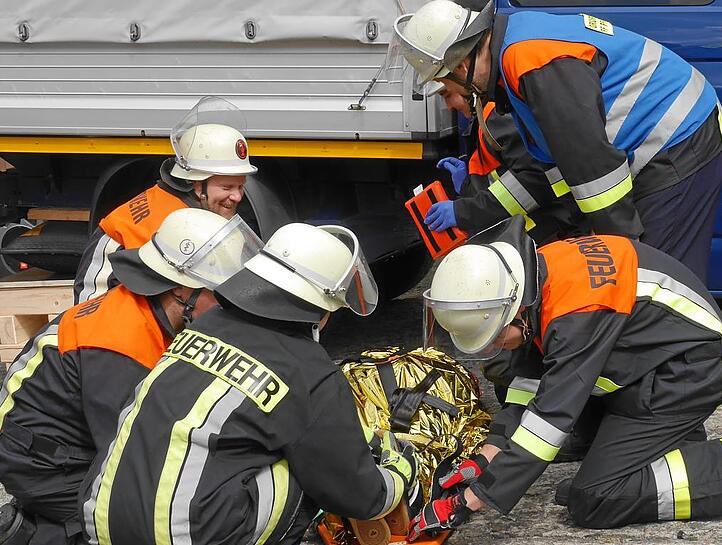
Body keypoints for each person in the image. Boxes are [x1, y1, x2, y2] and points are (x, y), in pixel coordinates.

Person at [407, 216, 722, 539]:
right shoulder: (535, 275)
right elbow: (532, 379)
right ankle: (668, 447)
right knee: (575, 461)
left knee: (594, 498)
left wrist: (475, 498)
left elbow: (550, 418)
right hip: (657, 359)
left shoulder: (576, 314)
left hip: (690, 372)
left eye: (497, 336)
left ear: (514, 310)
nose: (496, 347)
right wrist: (489, 454)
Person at [79, 222, 417, 545]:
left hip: (102, 520)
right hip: (189, 535)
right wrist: (400, 470)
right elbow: (359, 496)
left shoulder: (204, 325)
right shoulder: (309, 372)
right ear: (323, 309)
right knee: (306, 468)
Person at [394, 1, 722, 283]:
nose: (458, 98)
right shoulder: (514, 52)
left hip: (679, 138)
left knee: (658, 283)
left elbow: (593, 170)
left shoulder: (531, 62)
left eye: (447, 85)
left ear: (463, 64)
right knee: (641, 279)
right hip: (668, 136)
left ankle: (691, 359)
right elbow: (545, 170)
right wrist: (467, 210)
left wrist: (619, 247)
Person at [0, 208, 262, 545]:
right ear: (181, 289)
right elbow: (130, 454)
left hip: (63, 442)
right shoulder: (119, 346)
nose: (229, 305)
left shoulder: (151, 310)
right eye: (219, 294)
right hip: (44, 465)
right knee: (149, 515)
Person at [74, 96, 258, 303]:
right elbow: (92, 304)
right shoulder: (150, 225)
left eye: (241, 186)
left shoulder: (197, 209)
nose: (237, 196)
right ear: (196, 184)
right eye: (227, 187)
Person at [428, 100, 585, 246]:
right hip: (536, 233)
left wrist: (462, 211)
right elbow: (504, 182)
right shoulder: (489, 116)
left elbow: (532, 182)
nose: (448, 106)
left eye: (448, 94)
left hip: (546, 235)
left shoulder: (497, 116)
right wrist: (466, 186)